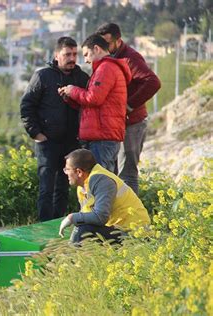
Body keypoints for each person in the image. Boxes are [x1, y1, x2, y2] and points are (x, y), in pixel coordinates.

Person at [20, 37, 90, 221]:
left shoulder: (81, 77)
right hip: (47, 142)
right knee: (46, 188)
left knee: (64, 188)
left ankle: (59, 226)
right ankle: (44, 226)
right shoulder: (43, 76)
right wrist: (35, 133)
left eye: (75, 54)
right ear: (56, 55)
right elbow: (27, 106)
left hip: (72, 143)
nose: (72, 58)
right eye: (67, 54)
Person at [96, 23, 161, 194]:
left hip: (132, 123)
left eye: (107, 44)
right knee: (114, 173)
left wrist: (129, 105)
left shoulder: (130, 58)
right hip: (116, 124)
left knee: (127, 174)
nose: (105, 47)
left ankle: (131, 219)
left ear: (118, 41)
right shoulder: (107, 58)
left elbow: (153, 82)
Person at [58, 34, 131, 173]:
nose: (85, 60)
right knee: (102, 181)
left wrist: (73, 90)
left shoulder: (106, 68)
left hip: (102, 137)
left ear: (96, 49)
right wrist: (70, 97)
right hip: (103, 135)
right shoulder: (104, 68)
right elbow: (92, 104)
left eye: (86, 54)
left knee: (100, 182)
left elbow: (94, 98)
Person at [58, 149, 151, 243]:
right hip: (116, 229)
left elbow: (100, 217)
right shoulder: (82, 187)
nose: (65, 172)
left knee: (84, 230)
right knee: (81, 227)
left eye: (67, 169)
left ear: (79, 172)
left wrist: (71, 218)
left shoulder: (101, 180)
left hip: (134, 233)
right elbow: (86, 216)